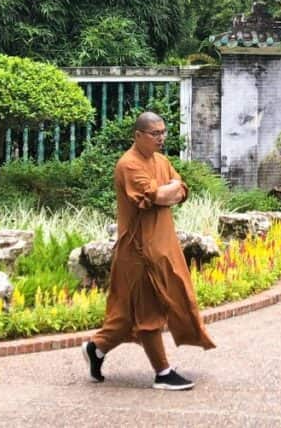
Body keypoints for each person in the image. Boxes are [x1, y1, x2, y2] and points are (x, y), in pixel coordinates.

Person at [82, 112, 216, 390]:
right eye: (155, 133)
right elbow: (161, 196)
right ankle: (163, 372)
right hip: (139, 253)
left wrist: (170, 190)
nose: (161, 137)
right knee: (149, 313)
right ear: (138, 135)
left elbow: (179, 190)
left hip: (161, 247)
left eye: (163, 132)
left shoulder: (161, 161)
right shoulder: (128, 165)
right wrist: (168, 190)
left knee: (125, 317)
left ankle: (96, 348)